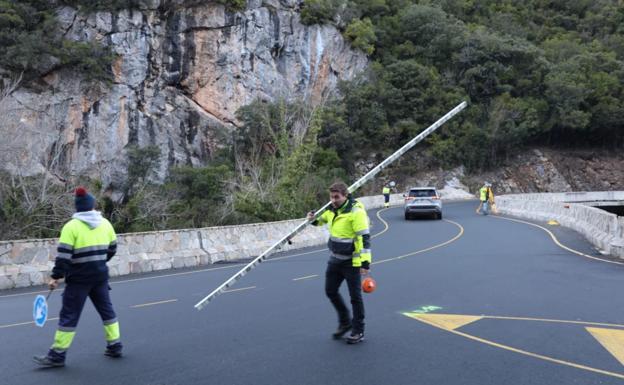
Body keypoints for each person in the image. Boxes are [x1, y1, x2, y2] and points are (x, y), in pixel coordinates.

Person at [33, 187, 122, 367]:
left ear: (77, 207)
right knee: (107, 311)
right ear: (92, 205)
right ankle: (115, 346)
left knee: (69, 316)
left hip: (79, 280)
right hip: (100, 277)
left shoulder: (71, 227)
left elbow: (64, 257)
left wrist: (55, 277)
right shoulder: (105, 224)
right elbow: (112, 249)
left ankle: (57, 356)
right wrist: (99, 262)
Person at [307, 182, 371, 344]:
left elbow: (364, 238)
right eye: (331, 197)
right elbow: (320, 221)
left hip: (352, 263)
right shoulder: (331, 209)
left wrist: (365, 263)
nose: (333, 200)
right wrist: (312, 219)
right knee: (330, 291)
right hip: (335, 259)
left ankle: (358, 331)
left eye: (337, 197)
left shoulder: (356, 212)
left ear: (345, 195)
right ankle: (345, 322)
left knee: (355, 298)